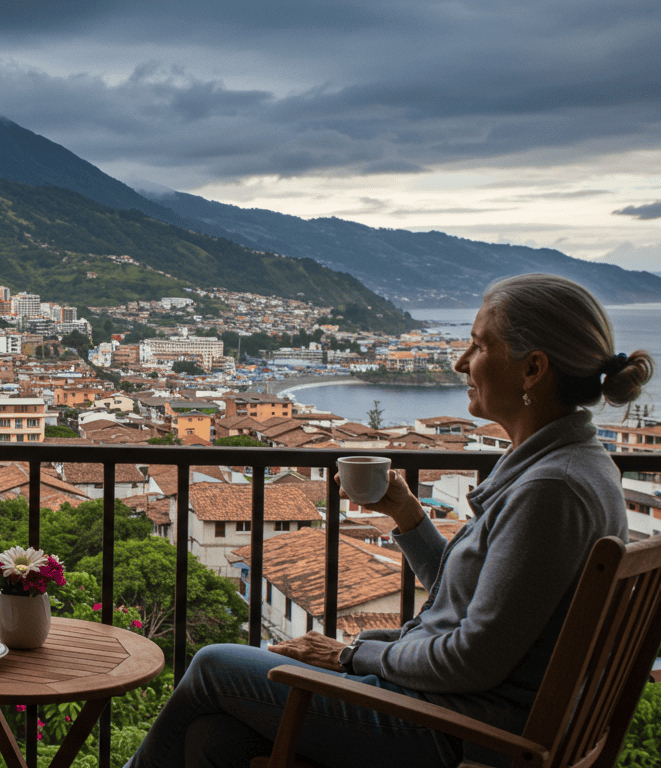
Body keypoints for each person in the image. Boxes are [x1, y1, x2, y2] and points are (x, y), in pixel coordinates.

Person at [126, 273, 654, 768]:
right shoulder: (567, 467)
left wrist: (355, 654)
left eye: (479, 345)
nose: (460, 362)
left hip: (456, 729)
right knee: (214, 741)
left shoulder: (551, 489)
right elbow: (472, 600)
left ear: (533, 369)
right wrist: (407, 516)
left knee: (214, 665)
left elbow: (473, 660)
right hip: (460, 712)